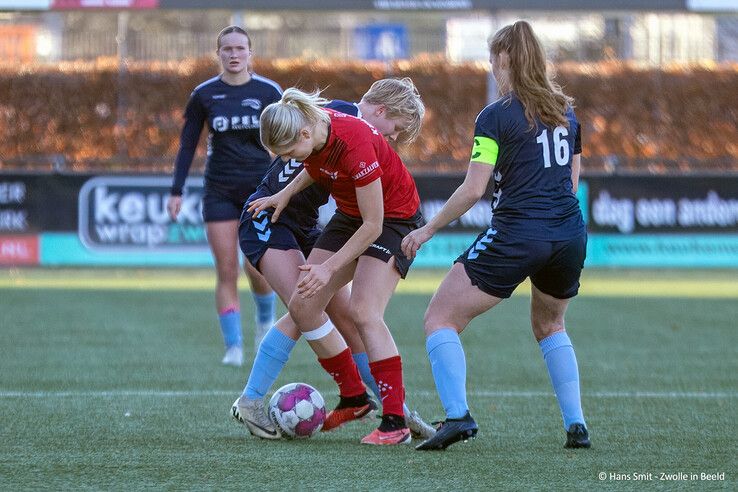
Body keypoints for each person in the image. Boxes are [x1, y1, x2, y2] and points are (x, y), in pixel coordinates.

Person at [401, 20, 591, 451]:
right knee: (551, 325)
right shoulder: (566, 111)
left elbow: (473, 188)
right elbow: (572, 180)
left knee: (439, 319)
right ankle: (576, 426)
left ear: (505, 59)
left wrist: (427, 229)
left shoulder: (495, 116)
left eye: (492, 60)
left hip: (518, 234)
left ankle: (457, 417)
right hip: (568, 234)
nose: (491, 68)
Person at [231, 78, 435, 441]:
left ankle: (390, 411)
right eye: (396, 130)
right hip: (273, 223)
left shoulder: (339, 126)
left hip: (323, 226)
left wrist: (327, 265)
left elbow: (369, 216)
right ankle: (252, 400)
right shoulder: (329, 122)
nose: (392, 139)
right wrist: (281, 194)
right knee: (306, 305)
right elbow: (315, 168)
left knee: (351, 317)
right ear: (382, 111)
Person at [167, 26, 281, 367]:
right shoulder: (204, 94)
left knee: (257, 267)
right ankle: (233, 346)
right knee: (227, 269)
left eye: (240, 48)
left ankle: (265, 323)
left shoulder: (268, 91)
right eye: (227, 49)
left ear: (250, 53)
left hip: (259, 192)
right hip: (218, 191)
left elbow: (285, 142)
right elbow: (188, 145)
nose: (234, 54)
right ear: (218, 54)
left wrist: (287, 186)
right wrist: (176, 190)